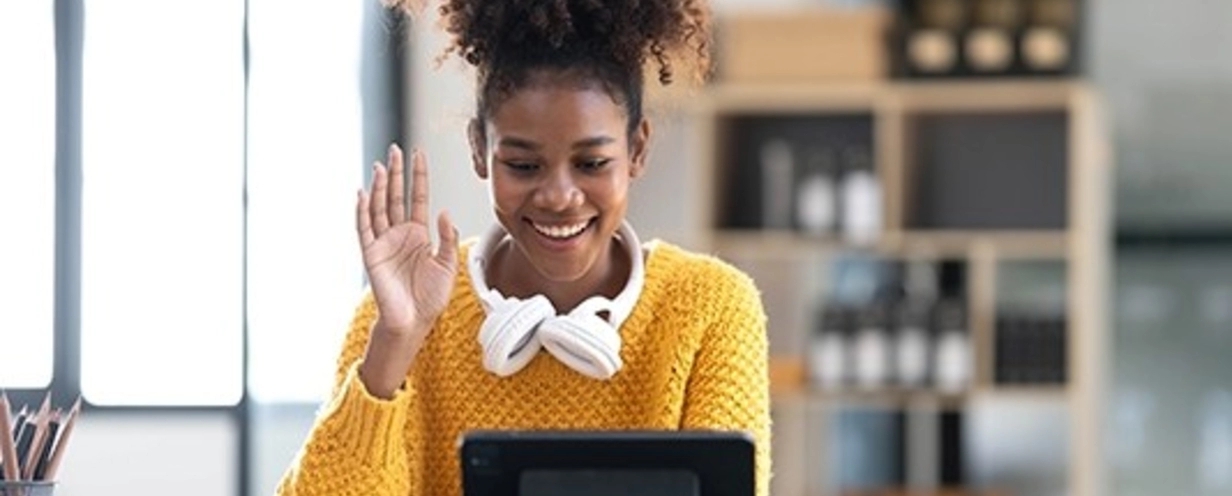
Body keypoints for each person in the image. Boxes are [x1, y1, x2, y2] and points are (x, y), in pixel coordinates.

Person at [275, 1, 770, 495]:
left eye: (592, 163)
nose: (559, 197)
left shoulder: (711, 307)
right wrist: (394, 345)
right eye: (524, 166)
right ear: (478, 150)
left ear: (636, 150)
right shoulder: (400, 320)